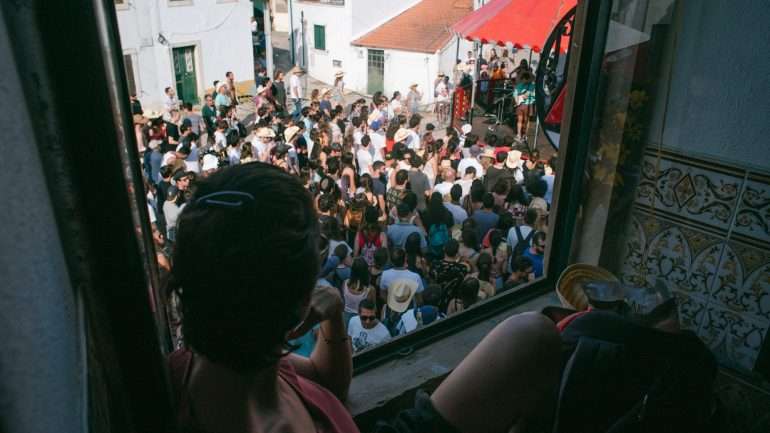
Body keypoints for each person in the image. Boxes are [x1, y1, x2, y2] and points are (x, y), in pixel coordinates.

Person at [168, 163, 358, 432]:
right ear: (302, 300)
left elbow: (325, 379)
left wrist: (334, 315)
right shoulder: (266, 386)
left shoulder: (209, 361)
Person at [514, 71, 535, 143]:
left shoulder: (531, 86)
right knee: (521, 120)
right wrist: (517, 100)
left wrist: (519, 98)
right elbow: (515, 94)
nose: (524, 80)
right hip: (523, 104)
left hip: (527, 104)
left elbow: (517, 95)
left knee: (525, 120)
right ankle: (520, 134)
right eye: (523, 79)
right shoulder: (521, 85)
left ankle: (524, 135)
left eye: (525, 79)